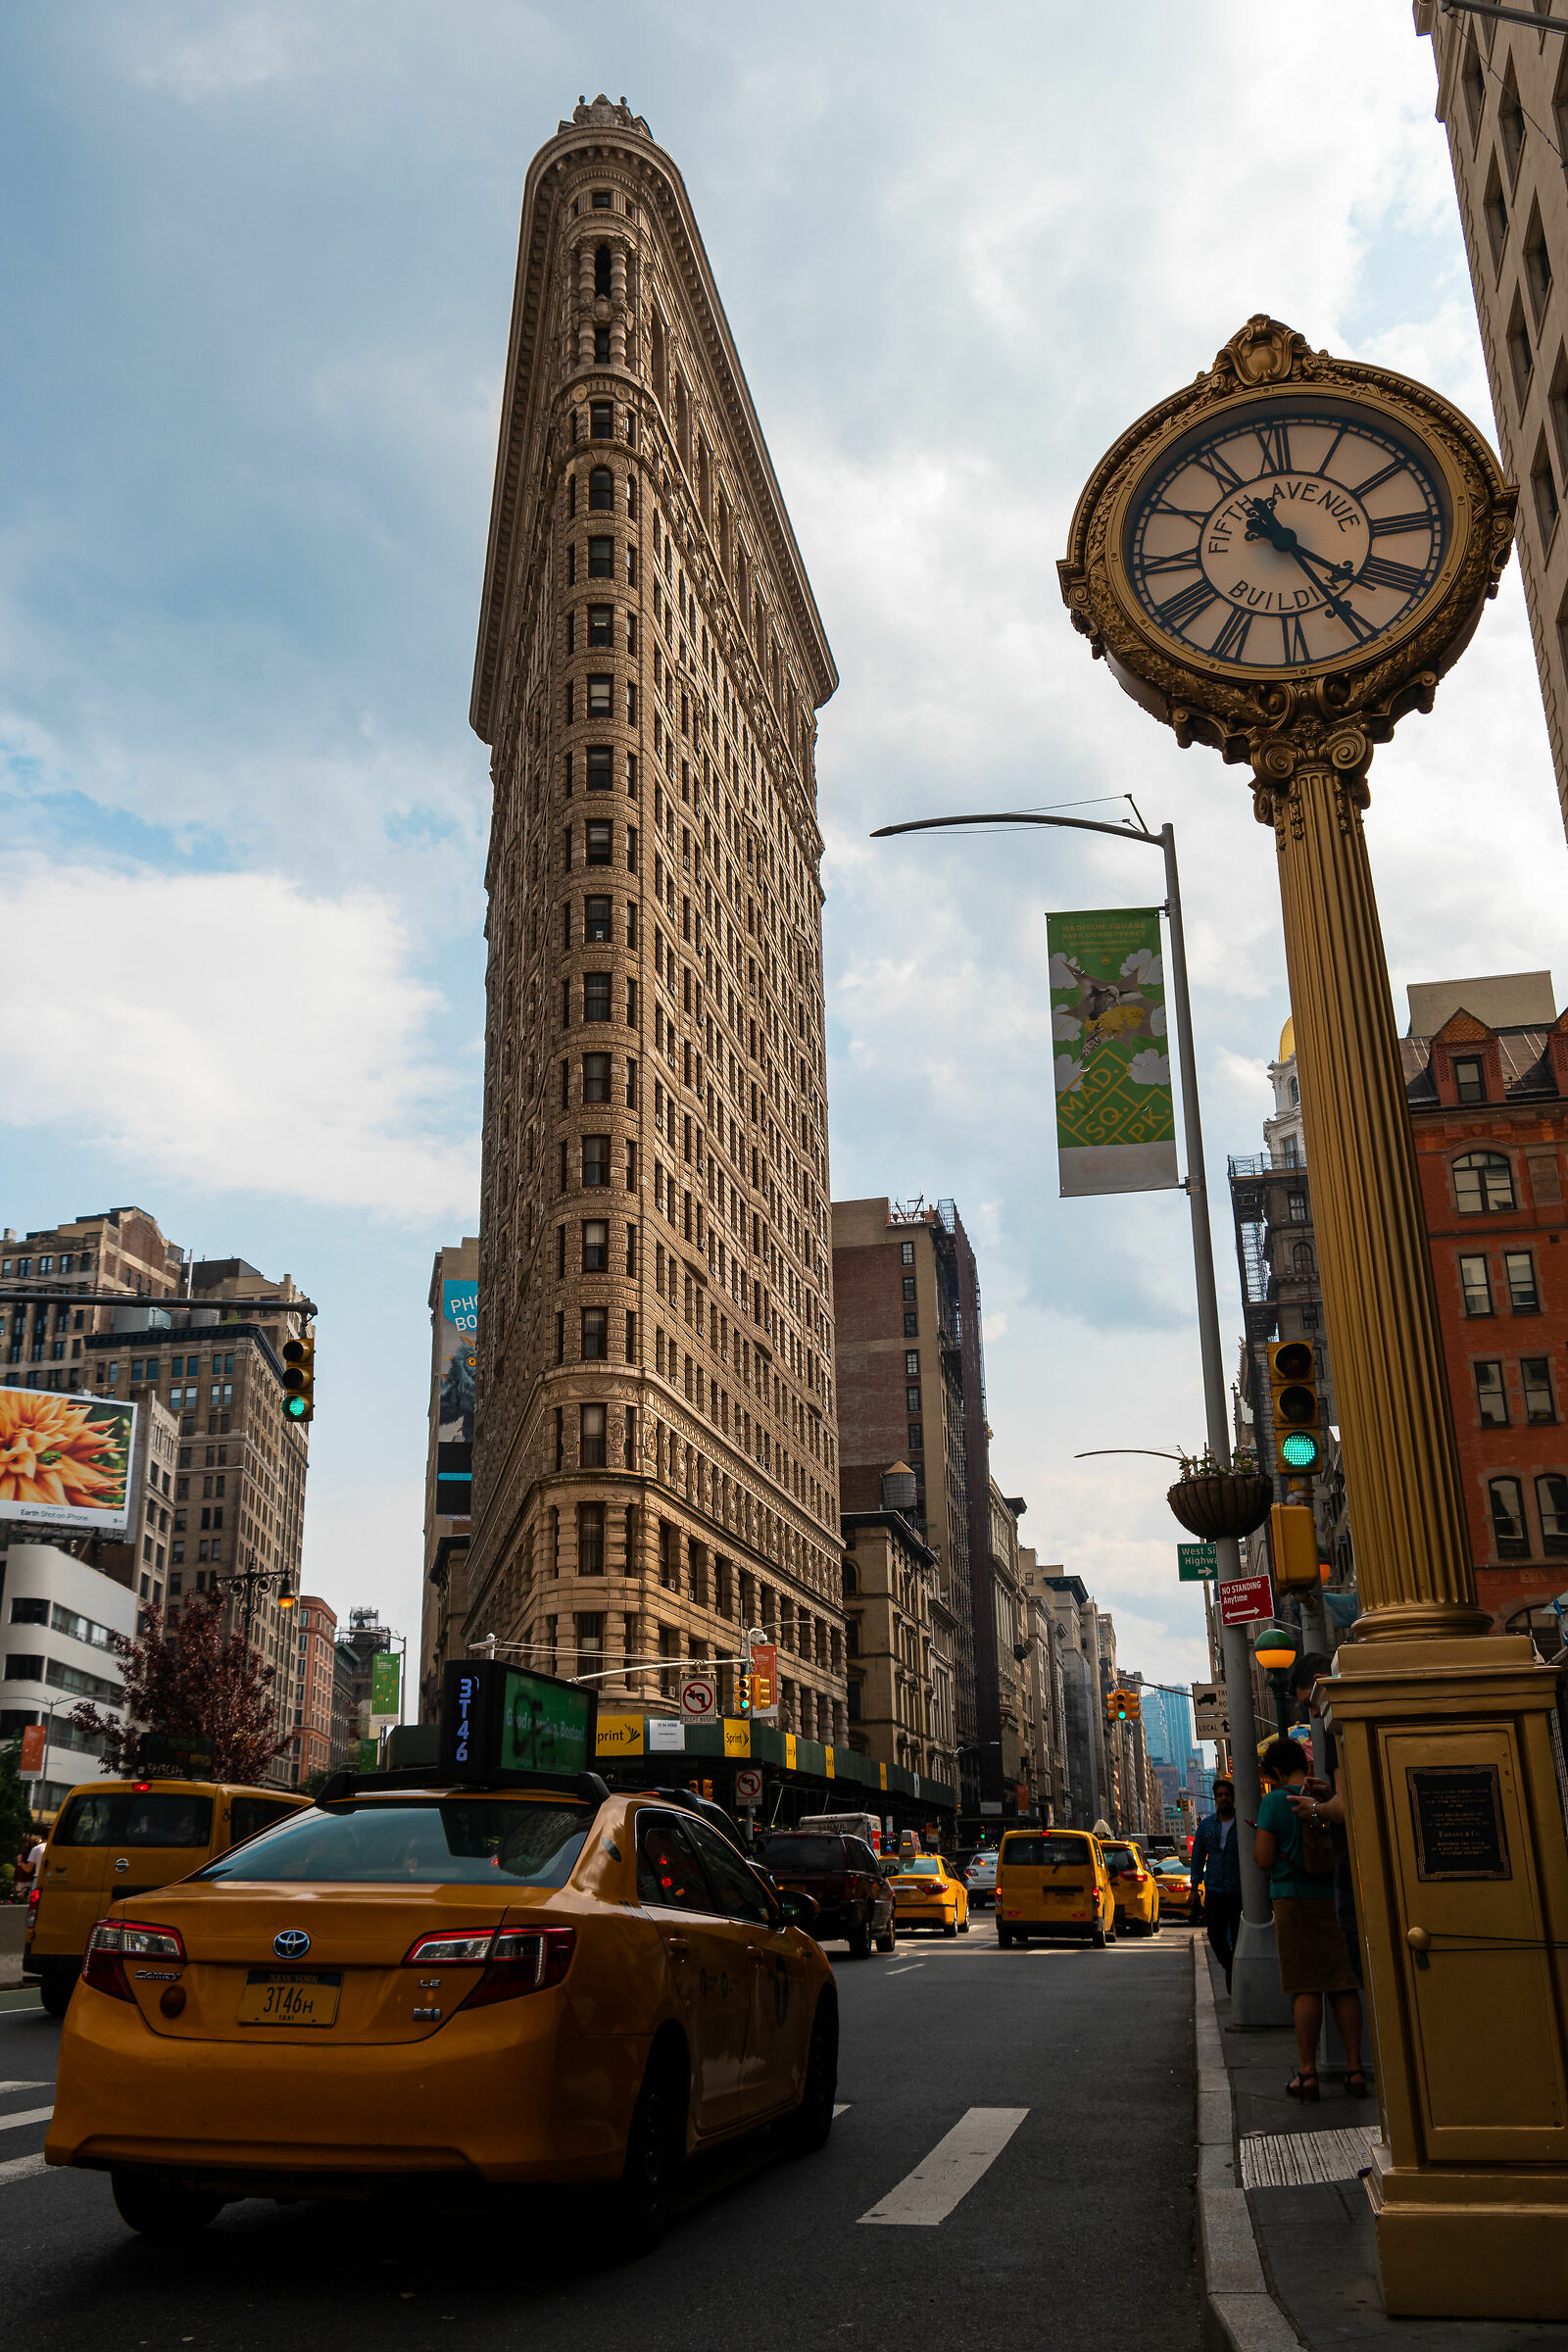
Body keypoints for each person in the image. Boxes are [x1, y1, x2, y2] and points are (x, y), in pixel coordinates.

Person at [1254, 1737, 1367, 2101]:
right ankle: (1354, 2070)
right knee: (1343, 1984)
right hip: (1335, 1897)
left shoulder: (1273, 1801)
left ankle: (1307, 2074)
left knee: (1306, 1987)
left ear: (1274, 1771)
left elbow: (1264, 1859)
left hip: (1293, 1901)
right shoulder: (1325, 1796)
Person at [1190, 1776, 1243, 1992]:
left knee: (1240, 1935)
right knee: (1215, 1933)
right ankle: (1231, 1967)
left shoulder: (1244, 1822)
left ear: (1233, 1798)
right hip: (1214, 1889)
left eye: (1227, 1795)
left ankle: (1237, 1972)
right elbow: (1198, 1857)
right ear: (1215, 1798)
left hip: (1239, 1889)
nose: (1224, 1799)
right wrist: (1194, 1889)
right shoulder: (1206, 1825)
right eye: (1220, 1795)